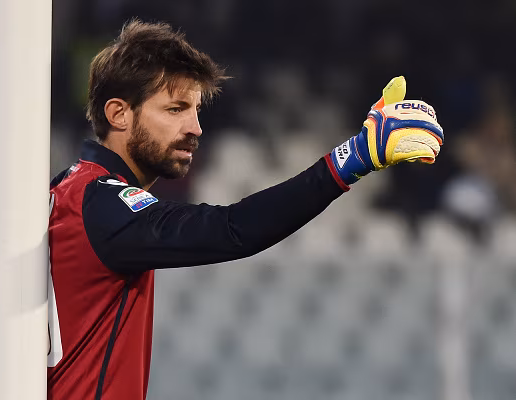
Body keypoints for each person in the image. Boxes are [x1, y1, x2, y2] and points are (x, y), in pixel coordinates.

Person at [47, 19, 444, 400]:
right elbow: (233, 228)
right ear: (118, 114)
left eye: (196, 110)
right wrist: (354, 157)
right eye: (175, 109)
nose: (195, 127)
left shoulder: (69, 189)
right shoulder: (102, 204)